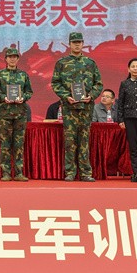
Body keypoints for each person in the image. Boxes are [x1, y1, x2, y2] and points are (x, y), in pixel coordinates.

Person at [51, 32, 102, 182]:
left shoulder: (90, 63)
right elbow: (55, 83)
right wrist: (66, 96)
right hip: (69, 108)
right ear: (69, 44)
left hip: (86, 108)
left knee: (84, 141)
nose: (77, 44)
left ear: (83, 43)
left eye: (79, 42)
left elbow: (98, 84)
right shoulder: (62, 63)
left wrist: (91, 96)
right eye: (74, 42)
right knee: (70, 141)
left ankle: (86, 172)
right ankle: (70, 172)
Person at [0, 47, 33, 181]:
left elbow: (29, 92)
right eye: (10, 57)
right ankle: (6, 172)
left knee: (19, 144)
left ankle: (19, 172)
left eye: (15, 57)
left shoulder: (23, 75)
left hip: (20, 113)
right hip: (4, 113)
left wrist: (23, 98)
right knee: (5, 144)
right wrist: (3, 98)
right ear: (6, 59)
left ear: (18, 59)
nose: (12, 59)